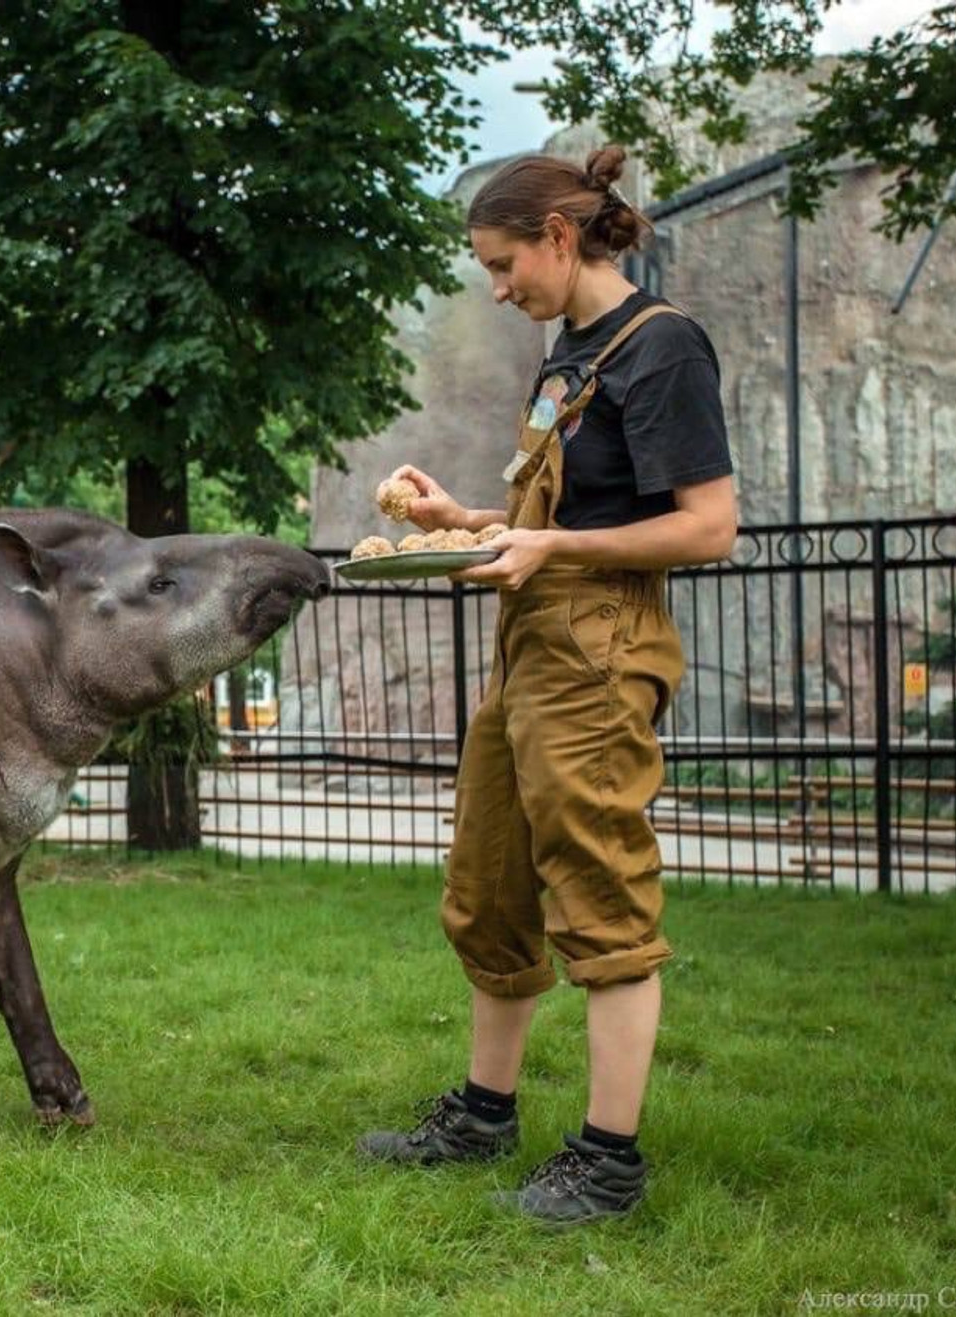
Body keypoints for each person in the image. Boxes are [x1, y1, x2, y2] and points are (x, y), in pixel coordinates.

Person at [356, 145, 738, 1225]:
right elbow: (557, 521)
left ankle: (606, 1162)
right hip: (530, 646)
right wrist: (460, 523)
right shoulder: (570, 352)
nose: (497, 286)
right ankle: (483, 1113)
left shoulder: (660, 349)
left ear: (558, 237)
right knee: (485, 885)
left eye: (501, 262)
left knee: (598, 897)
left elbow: (707, 527)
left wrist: (543, 554)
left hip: (600, 651)